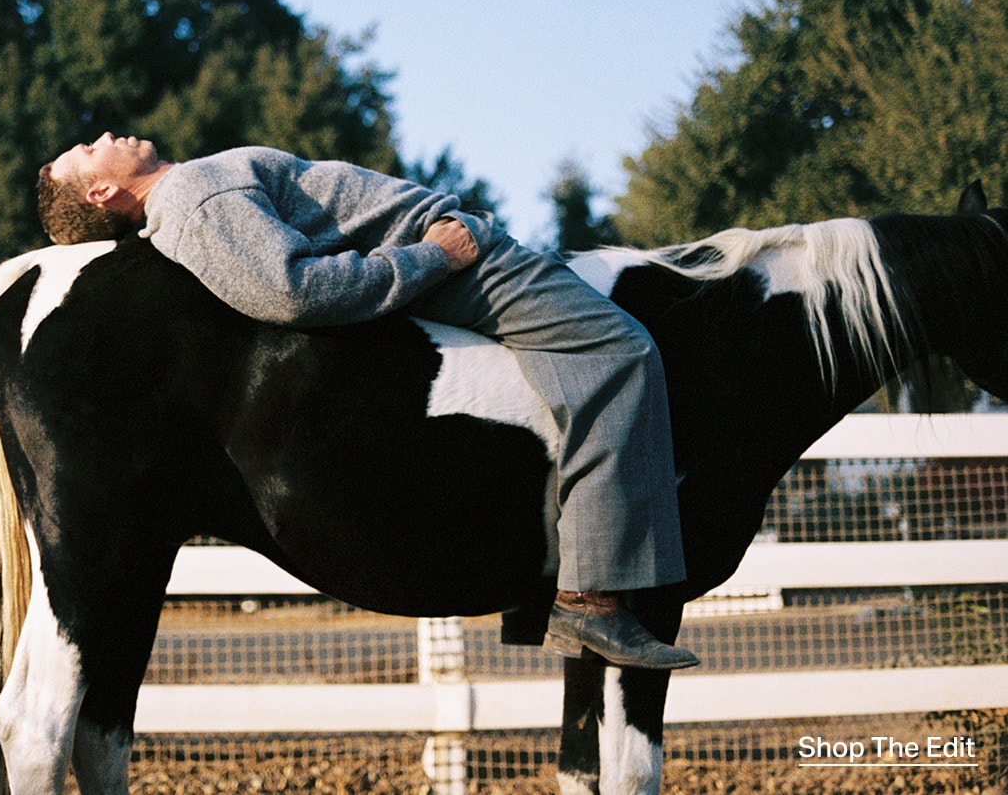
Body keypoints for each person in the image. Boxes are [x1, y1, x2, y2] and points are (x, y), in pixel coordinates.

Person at [37, 133, 698, 670]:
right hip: (456, 254)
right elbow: (297, 292)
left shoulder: (189, 199)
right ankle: (596, 598)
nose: (103, 137)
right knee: (622, 353)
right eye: (89, 152)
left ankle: (546, 585)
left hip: (440, 243)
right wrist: (433, 256)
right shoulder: (195, 200)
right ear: (102, 191)